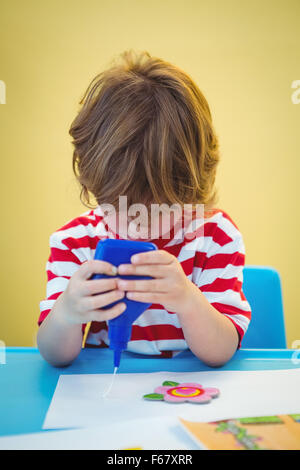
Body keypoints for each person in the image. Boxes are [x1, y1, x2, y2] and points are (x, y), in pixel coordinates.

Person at [37, 50, 251, 368]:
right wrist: (68, 311)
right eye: (122, 206)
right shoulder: (75, 242)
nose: (141, 225)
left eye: (162, 208)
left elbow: (221, 352)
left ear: (192, 192)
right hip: (105, 392)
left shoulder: (214, 236)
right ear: (94, 185)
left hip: (187, 390)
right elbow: (54, 356)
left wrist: (187, 300)